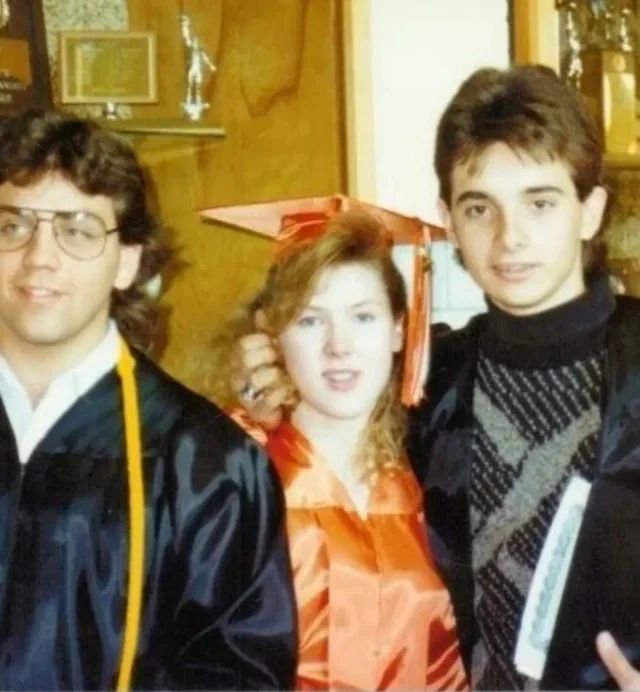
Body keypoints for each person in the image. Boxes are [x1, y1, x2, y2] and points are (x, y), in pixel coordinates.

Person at [229, 65, 640, 690]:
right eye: (481, 208)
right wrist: (264, 379)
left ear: (590, 211)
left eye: (540, 201)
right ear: (448, 221)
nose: (510, 237)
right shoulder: (428, 381)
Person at [0, 109, 296, 690]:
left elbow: (237, 675)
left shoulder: (209, 464)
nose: (40, 257)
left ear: (128, 261)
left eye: (77, 230)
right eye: (13, 225)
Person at [204, 198, 467, 690]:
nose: (339, 346)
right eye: (310, 320)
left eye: (362, 317)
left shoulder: (429, 476)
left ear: (397, 330)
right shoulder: (232, 475)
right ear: (271, 334)